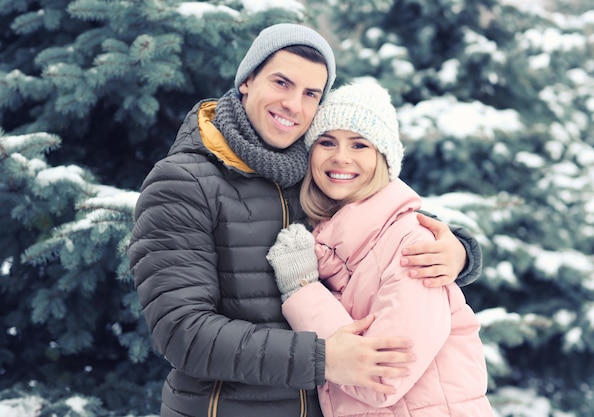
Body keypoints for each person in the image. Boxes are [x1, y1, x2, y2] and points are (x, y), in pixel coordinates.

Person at [127, 23, 482, 417]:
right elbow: (183, 333)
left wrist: (460, 251)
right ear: (247, 81)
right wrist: (323, 358)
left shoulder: (313, 172)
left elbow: (385, 223)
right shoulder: (184, 181)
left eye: (310, 93)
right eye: (282, 83)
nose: (294, 105)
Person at [266, 82, 492, 417]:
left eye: (359, 145)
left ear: (383, 158)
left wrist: (302, 290)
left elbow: (380, 375)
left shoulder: (413, 248)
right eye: (327, 142)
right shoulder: (331, 240)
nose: (340, 157)